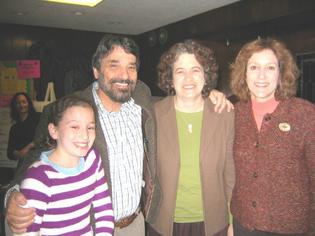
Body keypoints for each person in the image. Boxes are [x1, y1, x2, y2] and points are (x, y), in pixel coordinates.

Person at [5, 34, 231, 236]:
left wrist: (211, 94)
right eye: (114, 65)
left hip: (137, 224)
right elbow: (33, 158)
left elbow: (183, 98)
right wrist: (14, 195)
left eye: (131, 67)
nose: (124, 75)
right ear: (96, 70)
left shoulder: (144, 103)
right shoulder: (72, 110)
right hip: (89, 227)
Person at [148, 40, 235, 236]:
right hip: (164, 224)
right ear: (170, 78)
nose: (188, 78)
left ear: (206, 75)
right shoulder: (153, 115)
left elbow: (231, 177)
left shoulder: (225, 115)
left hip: (213, 224)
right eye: (180, 71)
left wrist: (232, 222)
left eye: (195, 70)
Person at [230, 37, 315, 235]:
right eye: (253, 67)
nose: (261, 75)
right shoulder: (233, 113)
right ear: (243, 73)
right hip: (243, 224)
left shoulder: (305, 114)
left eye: (270, 67)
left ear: (281, 73)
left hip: (291, 229)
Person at [17, 95, 114, 235]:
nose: (85, 136)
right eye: (75, 127)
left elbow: (104, 210)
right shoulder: (39, 177)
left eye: (90, 127)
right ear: (54, 131)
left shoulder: (93, 159)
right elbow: (27, 232)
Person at [7, 92, 40, 170]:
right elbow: (9, 153)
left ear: (29, 103)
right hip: (23, 164)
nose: (21, 105)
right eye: (18, 103)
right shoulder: (14, 128)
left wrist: (28, 147)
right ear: (15, 106)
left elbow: (44, 136)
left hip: (40, 161)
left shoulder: (38, 117)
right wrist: (18, 154)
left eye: (24, 102)